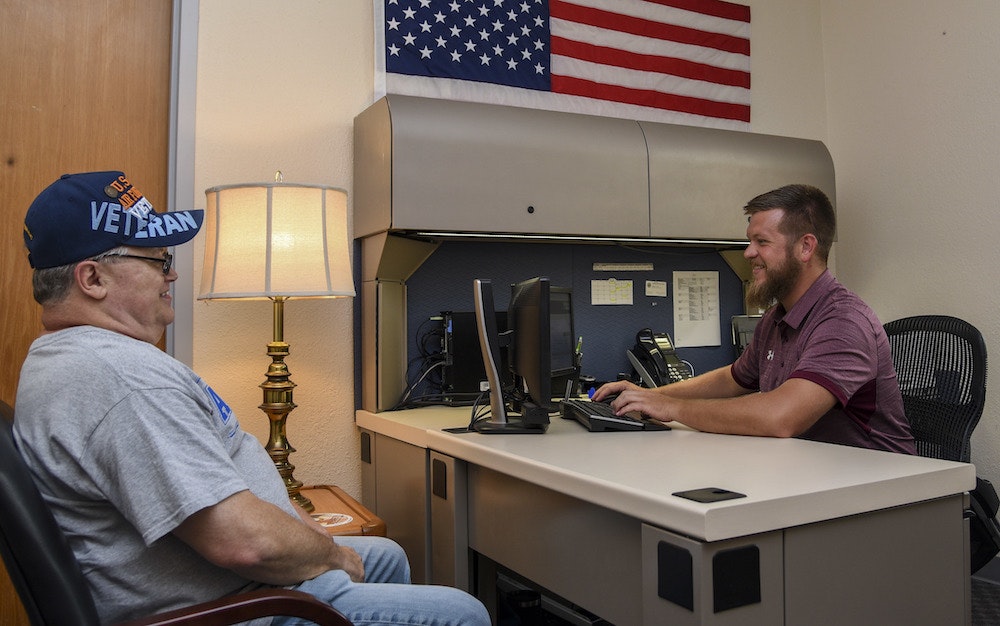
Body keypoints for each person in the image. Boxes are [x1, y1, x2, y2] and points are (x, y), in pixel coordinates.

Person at [14, 171, 490, 626]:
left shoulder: (75, 359)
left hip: (228, 586)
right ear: (92, 279)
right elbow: (245, 545)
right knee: (464, 614)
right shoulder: (124, 382)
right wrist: (329, 552)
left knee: (384, 555)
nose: (172, 276)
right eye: (159, 261)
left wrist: (309, 538)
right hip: (241, 608)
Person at [594, 184, 916, 454]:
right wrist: (651, 396)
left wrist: (671, 409)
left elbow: (781, 417)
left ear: (806, 247)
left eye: (762, 242)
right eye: (750, 241)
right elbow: (731, 380)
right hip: (811, 472)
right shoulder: (777, 318)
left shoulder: (844, 322)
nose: (748, 253)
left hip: (877, 490)